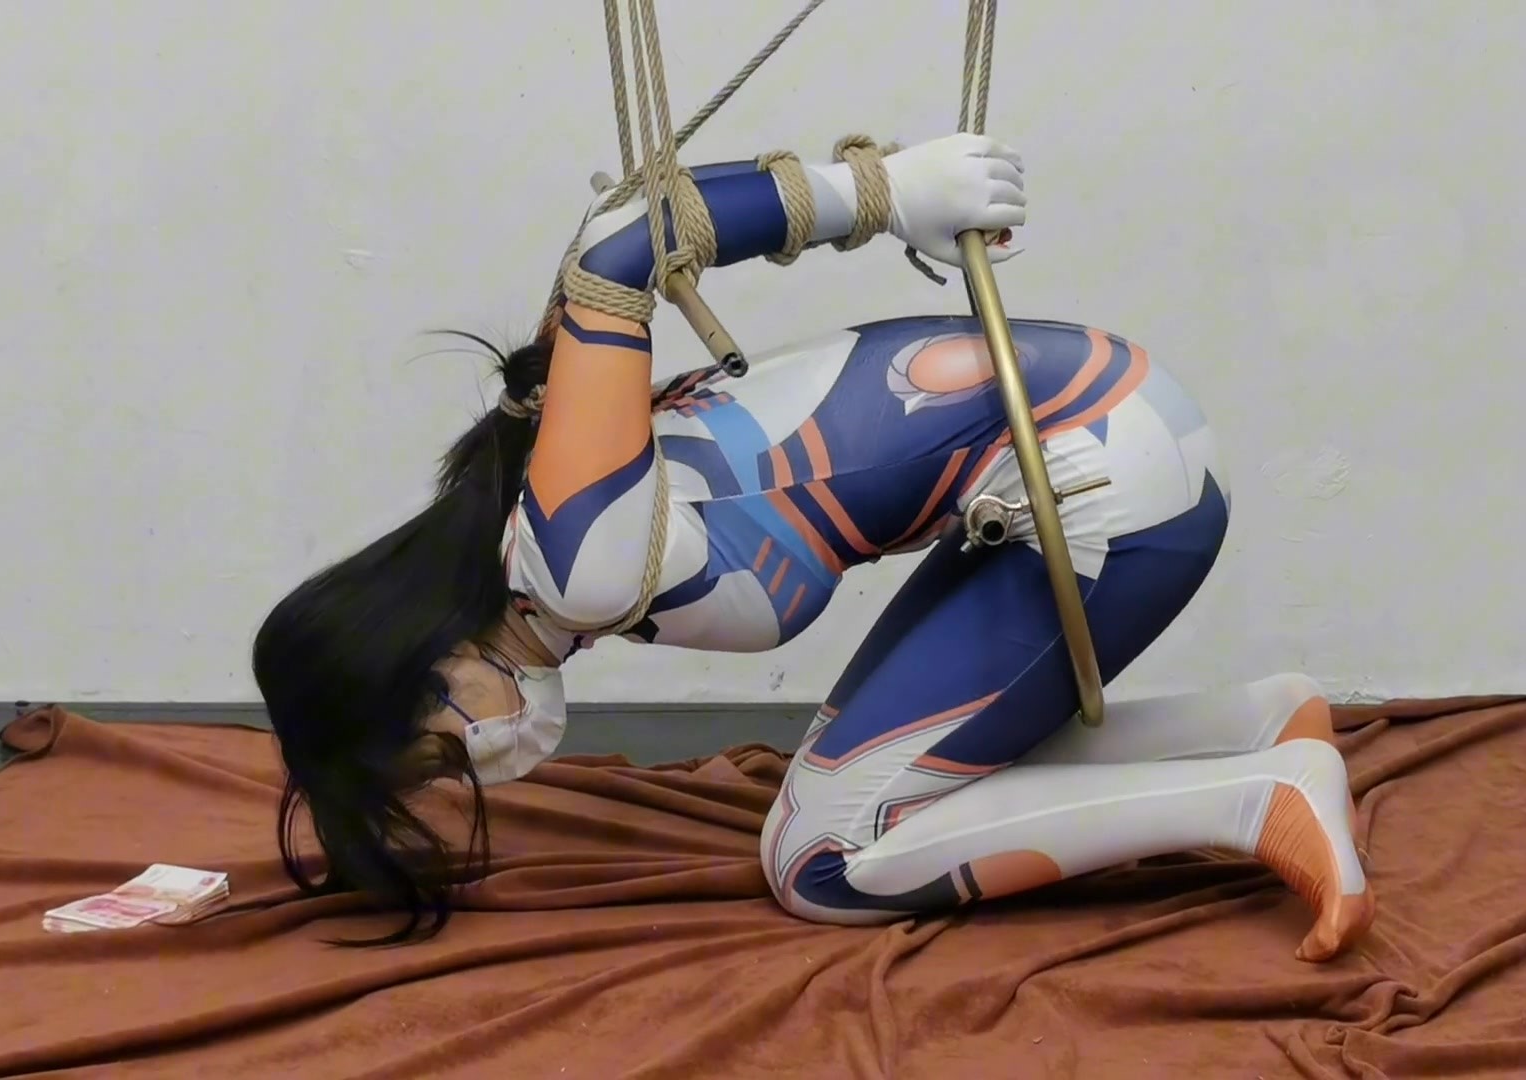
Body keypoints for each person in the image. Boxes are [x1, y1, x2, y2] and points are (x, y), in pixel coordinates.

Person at [254, 131, 1375, 962]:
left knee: (822, 859)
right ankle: (1254, 723)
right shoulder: (533, 516)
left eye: (441, 752)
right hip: (1074, 445)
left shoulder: (574, 563)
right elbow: (609, 252)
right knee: (869, 782)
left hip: (1103, 469)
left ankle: (1257, 799)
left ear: (420, 666)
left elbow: (621, 243)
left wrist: (884, 194)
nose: (484, 762)